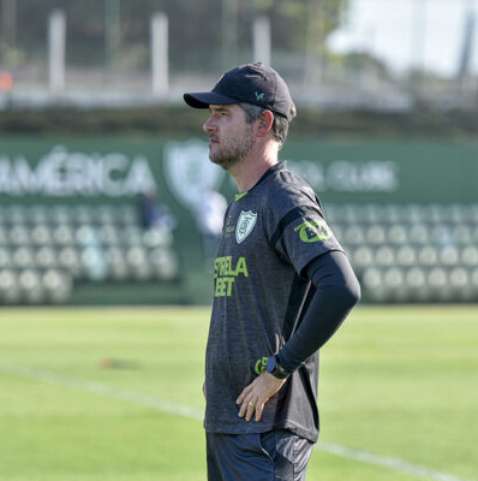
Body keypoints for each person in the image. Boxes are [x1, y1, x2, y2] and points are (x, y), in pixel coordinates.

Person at [183, 63, 361, 481]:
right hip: (231, 423)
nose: (209, 125)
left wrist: (278, 369)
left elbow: (340, 286)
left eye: (222, 114)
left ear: (262, 122)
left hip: (267, 432)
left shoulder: (284, 197)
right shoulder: (241, 204)